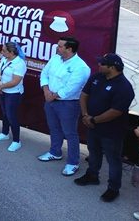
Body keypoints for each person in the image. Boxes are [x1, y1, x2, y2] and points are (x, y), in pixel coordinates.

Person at [73, 53, 134, 202]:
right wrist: (86, 115)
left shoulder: (124, 87)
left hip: (112, 131)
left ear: (112, 67)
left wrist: (94, 120)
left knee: (113, 160)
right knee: (93, 153)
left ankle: (113, 188)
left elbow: (116, 111)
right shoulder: (97, 77)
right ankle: (92, 175)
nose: (98, 65)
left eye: (102, 64)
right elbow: (84, 95)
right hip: (92, 126)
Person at [38, 37, 91, 176]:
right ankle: (55, 152)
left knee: (70, 133)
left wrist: (53, 95)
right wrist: (46, 90)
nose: (57, 48)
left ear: (69, 49)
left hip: (68, 104)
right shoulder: (55, 58)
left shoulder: (81, 67)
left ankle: (73, 163)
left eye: (60, 46)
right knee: (54, 128)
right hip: (50, 100)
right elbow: (44, 73)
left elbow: (72, 88)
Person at [0, 42, 27, 152]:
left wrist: (1, 86)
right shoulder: (4, 59)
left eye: (4, 51)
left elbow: (16, 81)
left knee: (11, 116)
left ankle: (16, 141)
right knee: (5, 113)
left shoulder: (19, 63)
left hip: (13, 93)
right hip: (2, 90)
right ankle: (4, 133)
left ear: (11, 52)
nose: (1, 52)